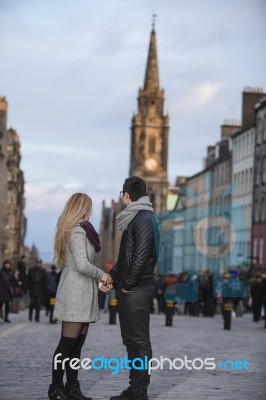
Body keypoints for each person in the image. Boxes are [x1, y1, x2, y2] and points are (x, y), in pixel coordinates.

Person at [48, 192, 112, 400]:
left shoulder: (83, 231)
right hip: (76, 292)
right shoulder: (77, 231)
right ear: (81, 207)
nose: (90, 211)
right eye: (88, 206)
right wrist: (103, 275)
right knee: (66, 344)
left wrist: (99, 279)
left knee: (76, 346)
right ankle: (56, 388)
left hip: (84, 292)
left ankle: (72, 387)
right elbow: (82, 265)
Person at [109, 176, 160, 400]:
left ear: (127, 195)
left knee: (139, 341)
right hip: (133, 287)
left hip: (137, 289)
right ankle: (134, 388)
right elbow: (127, 256)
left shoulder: (142, 219)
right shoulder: (138, 217)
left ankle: (139, 392)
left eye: (123, 194)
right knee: (131, 341)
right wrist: (112, 275)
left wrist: (127, 284)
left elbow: (139, 258)